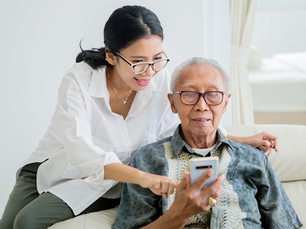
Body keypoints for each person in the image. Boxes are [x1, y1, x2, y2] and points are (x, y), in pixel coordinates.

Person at [0, 5, 278, 229]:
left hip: (107, 179)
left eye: (157, 58)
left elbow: (176, 126)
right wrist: (144, 179)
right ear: (111, 56)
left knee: (27, 222)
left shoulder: (160, 78)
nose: (149, 71)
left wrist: (241, 139)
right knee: (9, 223)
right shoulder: (79, 80)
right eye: (138, 62)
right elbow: (79, 151)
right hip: (54, 164)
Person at [112, 57, 302, 229]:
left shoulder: (254, 159)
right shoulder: (147, 160)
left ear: (225, 103)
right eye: (189, 94)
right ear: (172, 103)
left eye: (213, 94)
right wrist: (179, 214)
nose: (202, 106)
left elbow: (284, 224)